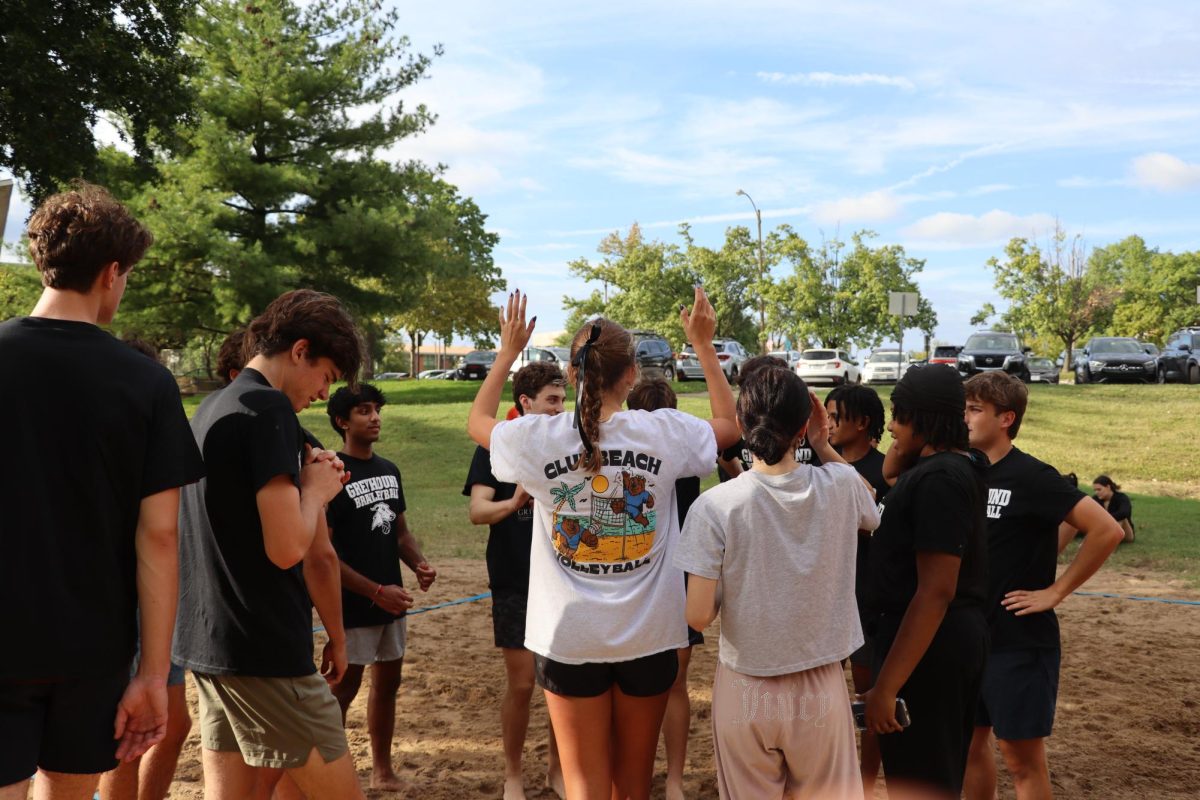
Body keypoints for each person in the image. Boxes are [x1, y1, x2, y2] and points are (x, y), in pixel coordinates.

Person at [466, 288, 739, 800]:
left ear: (571, 374)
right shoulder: (662, 432)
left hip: (570, 637)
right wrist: (704, 346)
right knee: (633, 787)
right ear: (632, 374)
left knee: (586, 789)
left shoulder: (538, 436)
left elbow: (477, 424)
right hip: (651, 633)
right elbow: (729, 426)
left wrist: (506, 354)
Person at [0, 183, 204, 800]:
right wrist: (151, 672)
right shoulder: (147, 383)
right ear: (112, 272)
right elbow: (161, 536)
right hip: (94, 646)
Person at [173, 289, 367, 800]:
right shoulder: (268, 408)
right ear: (300, 351)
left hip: (209, 642)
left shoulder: (212, 405)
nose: (324, 394)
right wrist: (317, 490)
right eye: (325, 376)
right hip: (265, 650)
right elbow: (288, 548)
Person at [677, 366, 879, 800]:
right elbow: (872, 509)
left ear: (742, 426)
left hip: (746, 686)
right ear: (804, 426)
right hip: (820, 682)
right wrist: (823, 444)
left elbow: (697, 615)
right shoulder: (840, 483)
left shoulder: (715, 506)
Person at [961, 373, 1124, 800]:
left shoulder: (1031, 475)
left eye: (975, 409)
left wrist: (1055, 592)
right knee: (970, 746)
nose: (965, 417)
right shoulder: (963, 472)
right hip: (970, 638)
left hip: (1019, 642)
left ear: (1005, 418)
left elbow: (1106, 530)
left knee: (1019, 759)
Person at [864, 364, 990, 800]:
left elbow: (936, 590)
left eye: (899, 415)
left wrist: (887, 686)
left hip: (929, 649)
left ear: (922, 417)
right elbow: (895, 473)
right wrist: (908, 442)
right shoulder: (950, 467)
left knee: (923, 783)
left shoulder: (940, 480)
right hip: (935, 642)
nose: (892, 428)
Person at [324, 383, 437, 791]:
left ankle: (382, 771)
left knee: (388, 685)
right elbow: (325, 556)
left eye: (377, 410)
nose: (374, 417)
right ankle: (332, 778)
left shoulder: (389, 469)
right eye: (363, 411)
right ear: (342, 422)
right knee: (342, 690)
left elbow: (400, 533)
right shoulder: (330, 472)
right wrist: (373, 591)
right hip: (353, 604)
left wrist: (418, 563)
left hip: (392, 601)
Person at [98, 343, 199, 800]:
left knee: (173, 726)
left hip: (160, 597)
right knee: (129, 737)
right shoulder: (112, 424)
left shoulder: (154, 422)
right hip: (126, 599)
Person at [464, 362, 567, 800]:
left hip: (562, 582)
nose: (560, 410)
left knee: (561, 686)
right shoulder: (497, 446)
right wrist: (515, 501)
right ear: (525, 403)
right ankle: (512, 774)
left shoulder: (565, 445)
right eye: (551, 401)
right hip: (513, 581)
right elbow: (477, 511)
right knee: (523, 683)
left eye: (563, 401)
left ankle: (557, 771)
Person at [626, 378, 700, 800]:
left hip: (638, 575)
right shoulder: (685, 448)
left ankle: (651, 776)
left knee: (633, 683)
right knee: (675, 683)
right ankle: (673, 781)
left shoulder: (632, 453)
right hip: (680, 574)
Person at [824, 383, 890, 797]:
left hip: (868, 604)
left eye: (835, 416)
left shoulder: (886, 470)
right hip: (825, 603)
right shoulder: (813, 467)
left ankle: (864, 785)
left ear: (863, 422)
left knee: (867, 703)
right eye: (825, 415)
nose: (827, 424)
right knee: (823, 700)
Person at [1092, 476, 1135, 543]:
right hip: (1104, 530)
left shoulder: (1121, 498)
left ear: (1108, 487)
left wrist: (1105, 519)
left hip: (1124, 532)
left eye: (1099, 489)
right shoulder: (1096, 499)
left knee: (1121, 519)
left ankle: (1110, 542)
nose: (1096, 492)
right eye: (1095, 490)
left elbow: (1124, 513)